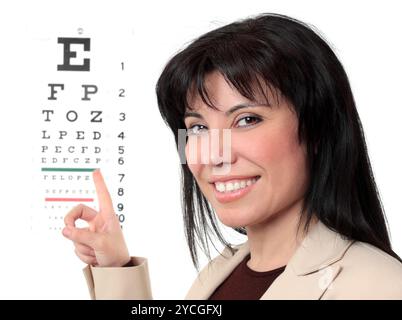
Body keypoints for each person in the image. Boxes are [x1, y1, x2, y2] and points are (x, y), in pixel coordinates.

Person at [62, 12, 402, 299]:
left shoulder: (380, 285)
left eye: (247, 120)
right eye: (197, 128)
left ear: (316, 130)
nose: (215, 155)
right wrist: (115, 268)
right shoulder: (218, 274)